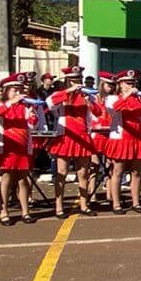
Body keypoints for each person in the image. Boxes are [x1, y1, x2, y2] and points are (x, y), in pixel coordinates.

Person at [46, 66, 98, 218]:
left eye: (79, 80)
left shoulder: (86, 96)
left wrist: (91, 103)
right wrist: (69, 91)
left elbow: (98, 112)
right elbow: (49, 103)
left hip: (82, 136)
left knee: (83, 173)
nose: (78, 83)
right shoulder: (61, 95)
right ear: (68, 81)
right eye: (74, 80)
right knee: (62, 172)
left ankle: (84, 204)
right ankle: (59, 206)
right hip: (66, 136)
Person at [0, 74, 40, 225]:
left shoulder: (24, 107)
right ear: (6, 91)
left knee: (23, 179)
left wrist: (32, 114)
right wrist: (11, 102)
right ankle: (3, 211)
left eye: (20, 90)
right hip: (6, 146)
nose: (18, 93)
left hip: (22, 146)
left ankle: (25, 211)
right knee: (6, 179)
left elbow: (32, 125)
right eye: (14, 90)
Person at [103, 69, 141, 215]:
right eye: (127, 83)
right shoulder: (112, 98)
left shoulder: (137, 98)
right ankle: (116, 204)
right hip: (121, 138)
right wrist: (128, 95)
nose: (131, 85)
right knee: (118, 172)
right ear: (120, 84)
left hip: (136, 138)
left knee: (136, 172)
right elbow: (113, 109)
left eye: (133, 82)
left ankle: (136, 202)